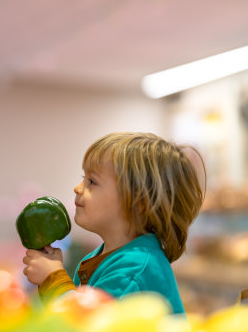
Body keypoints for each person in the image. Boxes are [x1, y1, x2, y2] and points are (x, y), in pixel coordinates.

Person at [22, 132, 205, 314]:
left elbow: (87, 331)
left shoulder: (133, 270)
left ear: (138, 203)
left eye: (92, 181)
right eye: (83, 178)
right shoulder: (103, 257)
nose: (77, 188)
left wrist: (53, 278)